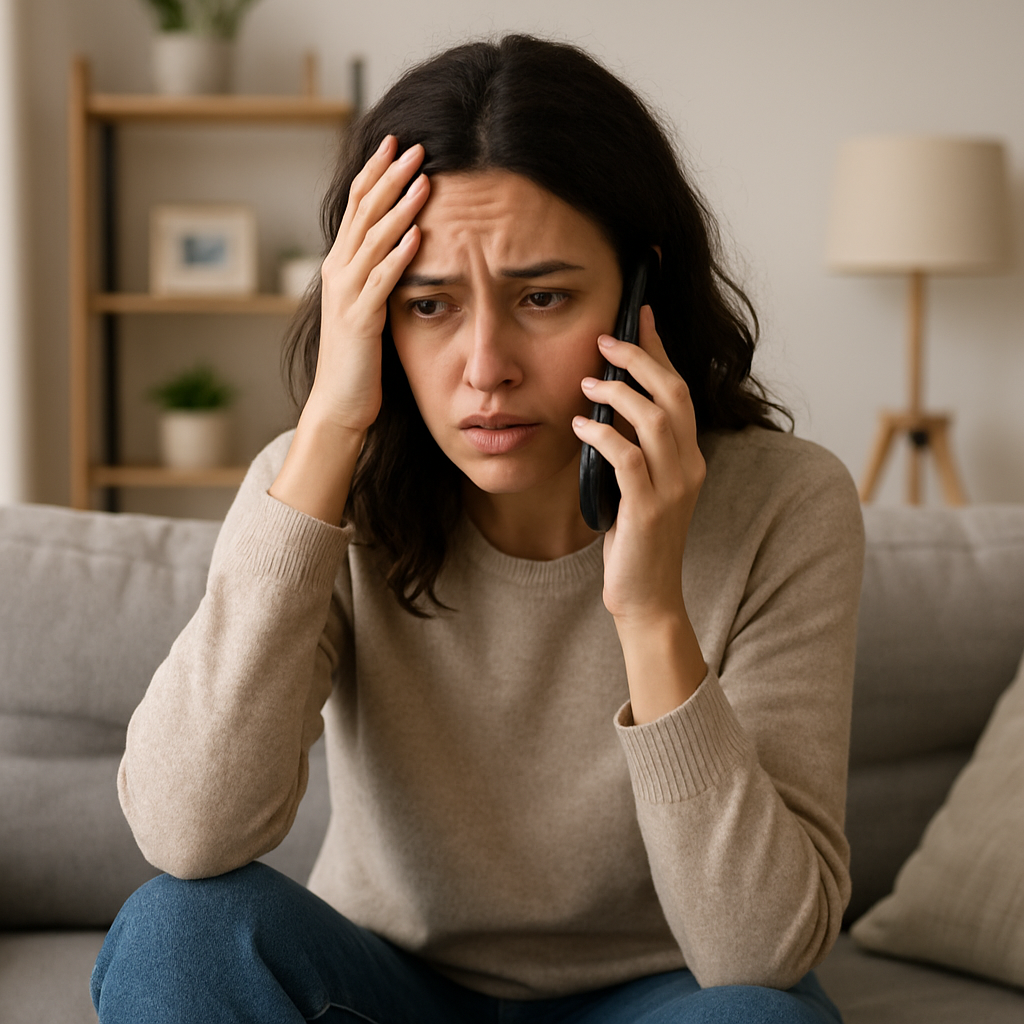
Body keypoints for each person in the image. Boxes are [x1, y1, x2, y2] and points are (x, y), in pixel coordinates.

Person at [91, 33, 863, 1024]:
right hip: (384, 986)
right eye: (428, 305)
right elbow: (186, 831)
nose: (484, 364)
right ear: (371, 316)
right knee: (177, 930)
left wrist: (649, 610)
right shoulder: (326, 482)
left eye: (542, 296)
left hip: (666, 996)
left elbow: (757, 950)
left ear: (639, 296)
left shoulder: (785, 504)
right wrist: (326, 431)